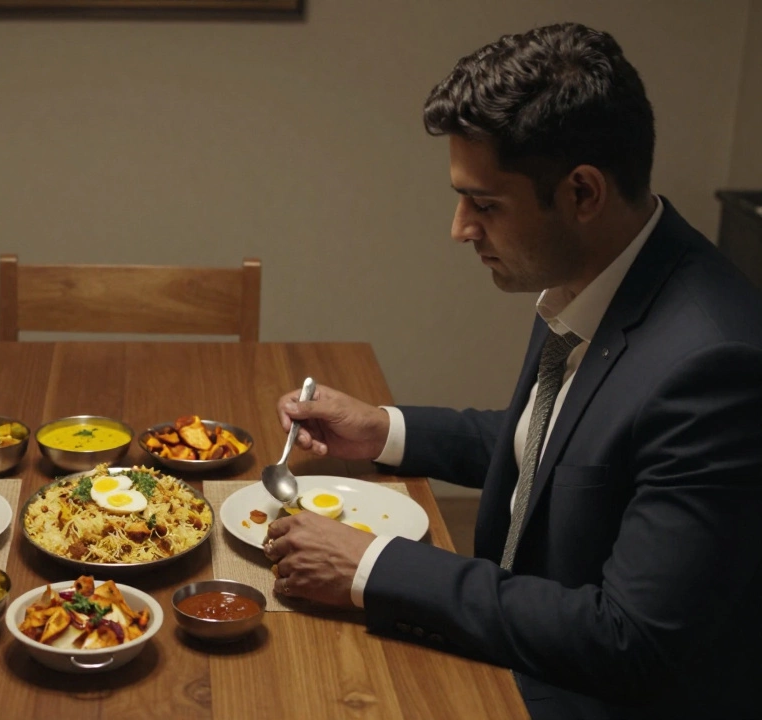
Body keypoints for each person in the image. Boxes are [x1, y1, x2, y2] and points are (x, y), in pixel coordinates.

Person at [266, 22, 762, 720]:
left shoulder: (716, 364)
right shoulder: (588, 272)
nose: (461, 228)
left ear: (583, 193)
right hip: (526, 639)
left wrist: (371, 568)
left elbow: (631, 641)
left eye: (486, 204)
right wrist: (384, 430)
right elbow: (561, 445)